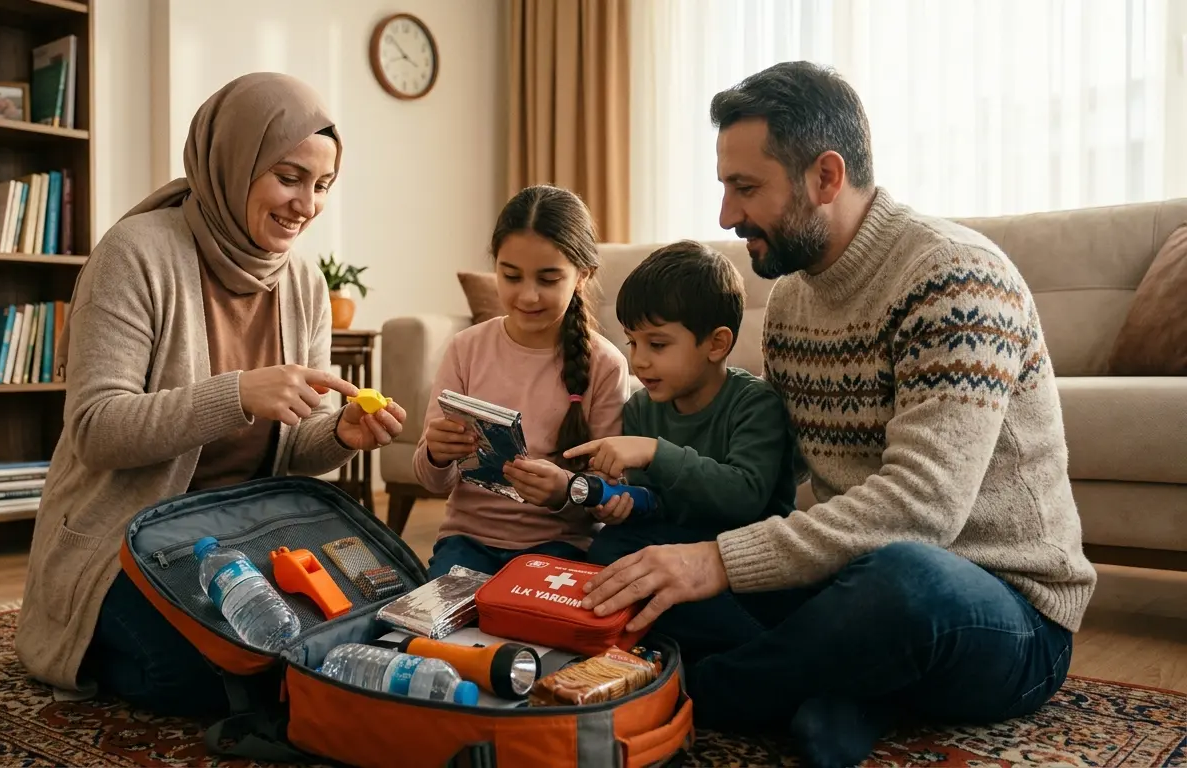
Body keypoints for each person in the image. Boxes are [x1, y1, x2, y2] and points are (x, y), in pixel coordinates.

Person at [577, 61, 1097, 767]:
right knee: (630, 561)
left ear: (826, 177)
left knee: (906, 581)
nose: (727, 215)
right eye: (725, 187)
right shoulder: (790, 302)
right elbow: (771, 488)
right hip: (846, 581)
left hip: (999, 610)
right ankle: (836, 694)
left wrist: (718, 562)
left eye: (746, 188)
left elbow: (923, 510)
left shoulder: (957, 280)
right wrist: (657, 523)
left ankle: (705, 690)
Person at [13, 73, 408, 719]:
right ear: (233, 161)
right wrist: (237, 395)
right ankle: (68, 632)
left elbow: (298, 449)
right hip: (130, 537)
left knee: (361, 625)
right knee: (200, 680)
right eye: (288, 176)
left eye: (322, 186)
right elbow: (96, 428)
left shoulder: (303, 279)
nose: (305, 204)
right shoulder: (134, 254)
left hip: (248, 533)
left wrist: (339, 435)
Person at [566, 239, 800, 654]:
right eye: (632, 342)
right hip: (676, 544)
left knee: (791, 597)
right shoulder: (641, 407)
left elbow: (744, 497)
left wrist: (656, 452)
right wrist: (625, 502)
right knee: (607, 549)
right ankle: (683, 645)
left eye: (657, 345)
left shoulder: (755, 404)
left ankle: (758, 654)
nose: (638, 361)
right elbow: (658, 504)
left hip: (744, 557)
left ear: (716, 344)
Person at [414, 185, 631, 578]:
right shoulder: (465, 349)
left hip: (560, 545)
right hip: (467, 540)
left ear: (583, 275)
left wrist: (564, 490)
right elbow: (432, 481)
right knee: (433, 630)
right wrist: (436, 453)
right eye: (511, 276)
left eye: (548, 279)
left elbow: (608, 492)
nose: (528, 296)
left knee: (534, 629)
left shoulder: (606, 365)